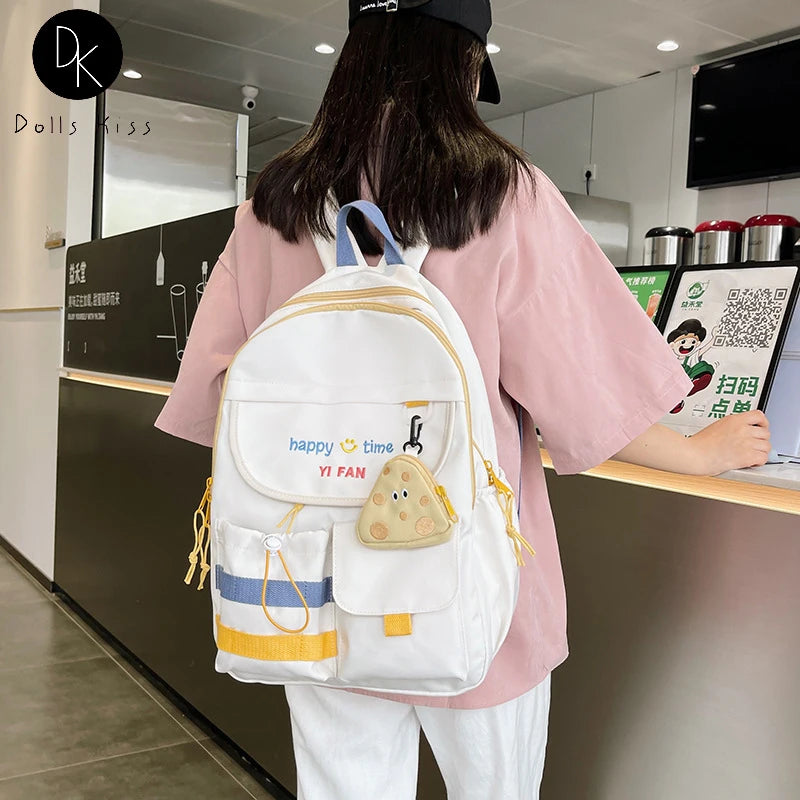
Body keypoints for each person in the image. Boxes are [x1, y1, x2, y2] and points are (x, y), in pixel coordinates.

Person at [154, 0, 771, 797]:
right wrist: (700, 453)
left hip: (313, 587)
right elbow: (587, 394)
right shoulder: (500, 193)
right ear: (465, 63)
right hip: (467, 581)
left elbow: (217, 393)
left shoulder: (273, 203)